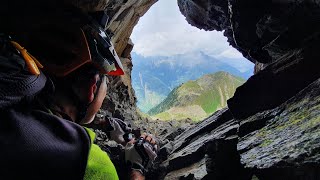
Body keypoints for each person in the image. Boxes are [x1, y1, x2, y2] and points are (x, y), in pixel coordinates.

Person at [0, 0, 158, 179]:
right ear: (92, 86)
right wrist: (136, 167)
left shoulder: (10, 98)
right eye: (103, 82)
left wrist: (103, 124)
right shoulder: (86, 160)